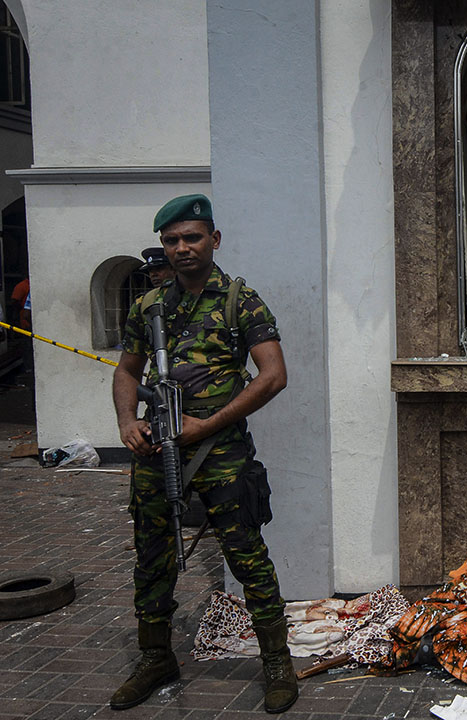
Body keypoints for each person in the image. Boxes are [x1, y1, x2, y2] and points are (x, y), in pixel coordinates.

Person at [110, 194, 295, 713]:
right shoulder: (149, 307)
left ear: (214, 240)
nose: (182, 248)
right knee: (152, 556)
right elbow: (127, 370)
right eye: (171, 241)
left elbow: (274, 375)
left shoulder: (241, 300)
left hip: (221, 451)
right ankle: (155, 657)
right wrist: (128, 422)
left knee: (246, 554)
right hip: (155, 448)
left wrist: (205, 426)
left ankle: (277, 663)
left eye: (192, 237)